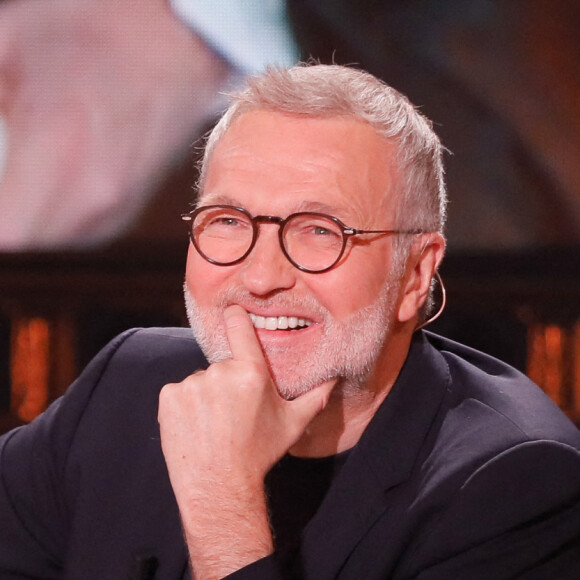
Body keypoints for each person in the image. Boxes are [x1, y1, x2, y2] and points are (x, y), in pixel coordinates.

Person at [1, 64, 580, 579]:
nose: (259, 278)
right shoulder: (128, 383)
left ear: (415, 273)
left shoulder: (517, 481)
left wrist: (221, 502)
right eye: (227, 220)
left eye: (321, 231)